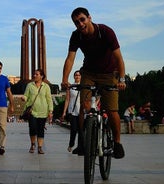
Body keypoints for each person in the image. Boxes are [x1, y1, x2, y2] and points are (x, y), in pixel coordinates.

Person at [61, 7, 126, 159]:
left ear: (89, 18)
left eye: (82, 20)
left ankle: (117, 143)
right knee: (84, 107)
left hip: (109, 73)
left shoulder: (105, 31)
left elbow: (118, 58)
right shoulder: (76, 36)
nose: (80, 24)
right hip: (89, 73)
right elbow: (70, 58)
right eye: (76, 22)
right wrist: (64, 79)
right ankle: (84, 142)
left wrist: (121, 79)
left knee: (112, 110)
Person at [21, 69, 53, 154]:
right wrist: (24, 98)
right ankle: (32, 144)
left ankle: (39, 147)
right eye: (34, 74)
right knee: (33, 128)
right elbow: (26, 95)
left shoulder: (46, 86)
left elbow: (49, 99)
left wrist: (50, 111)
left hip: (43, 111)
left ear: (41, 76)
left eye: (37, 74)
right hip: (32, 111)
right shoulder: (29, 85)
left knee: (40, 130)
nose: (34, 75)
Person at [0, 60, 14, 155]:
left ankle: (2, 146)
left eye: (0, 68)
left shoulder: (4, 79)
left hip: (2, 105)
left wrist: (12, 104)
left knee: (1, 127)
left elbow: (9, 92)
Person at [61, 70, 82, 154]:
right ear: (74, 77)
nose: (77, 76)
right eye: (76, 75)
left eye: (79, 75)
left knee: (81, 131)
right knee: (73, 129)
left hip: (81, 112)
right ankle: (71, 144)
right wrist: (64, 112)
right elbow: (67, 100)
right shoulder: (70, 87)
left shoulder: (84, 86)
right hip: (72, 111)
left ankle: (80, 147)